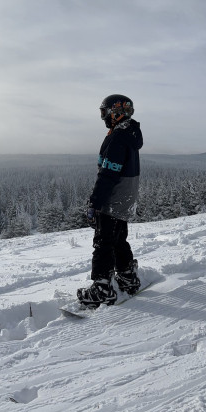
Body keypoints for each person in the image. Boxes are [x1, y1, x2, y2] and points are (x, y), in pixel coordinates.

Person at [78, 94, 143, 308]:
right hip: (125, 198)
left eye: (104, 112)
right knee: (118, 238)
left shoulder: (118, 138)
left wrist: (95, 203)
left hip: (113, 198)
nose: (103, 117)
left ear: (116, 112)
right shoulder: (128, 133)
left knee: (103, 241)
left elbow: (108, 175)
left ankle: (102, 287)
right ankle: (127, 276)